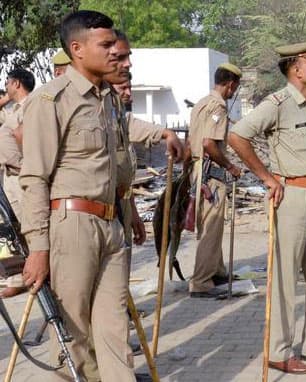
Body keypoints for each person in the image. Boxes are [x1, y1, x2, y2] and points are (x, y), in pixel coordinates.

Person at [19, 10, 136, 381]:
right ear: (77, 50)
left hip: (110, 225)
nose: (114, 52)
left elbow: (117, 166)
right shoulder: (51, 100)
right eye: (105, 45)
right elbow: (35, 176)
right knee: (75, 337)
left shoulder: (108, 100)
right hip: (72, 226)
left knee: (115, 331)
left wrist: (128, 212)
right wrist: (38, 248)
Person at [229, 37, 306, 375]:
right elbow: (237, 136)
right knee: (286, 278)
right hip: (291, 195)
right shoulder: (278, 103)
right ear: (296, 68)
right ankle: (279, 350)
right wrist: (267, 178)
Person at [106, 29, 183, 246]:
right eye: (123, 88)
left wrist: (135, 216)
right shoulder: (97, 111)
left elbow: (125, 177)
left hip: (121, 206)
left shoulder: (119, 116)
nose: (128, 93)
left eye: (130, 88)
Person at [187, 63, 242, 298]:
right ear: (230, 85)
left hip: (199, 169)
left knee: (214, 224)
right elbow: (209, 143)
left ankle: (216, 271)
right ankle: (201, 282)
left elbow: (193, 142)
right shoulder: (218, 105)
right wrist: (230, 165)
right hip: (211, 173)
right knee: (210, 227)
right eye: (235, 88)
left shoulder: (201, 103)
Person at [0, 68, 35, 299]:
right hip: (9, 178)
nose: (5, 87)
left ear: (17, 83)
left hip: (24, 176)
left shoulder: (33, 106)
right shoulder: (12, 110)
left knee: (28, 225)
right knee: (12, 231)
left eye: (8, 83)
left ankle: (36, 273)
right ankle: (19, 276)